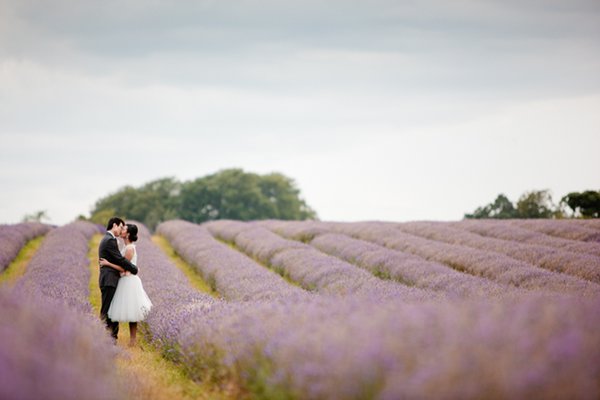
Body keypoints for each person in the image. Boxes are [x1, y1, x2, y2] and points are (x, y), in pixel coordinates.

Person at [100, 223, 152, 347]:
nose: (122, 230)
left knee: (132, 310)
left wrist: (108, 264)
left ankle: (132, 341)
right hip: (125, 280)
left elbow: (123, 268)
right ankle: (121, 338)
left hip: (129, 282)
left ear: (128, 234)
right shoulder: (126, 246)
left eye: (124, 229)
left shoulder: (129, 249)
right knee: (125, 309)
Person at [99, 217, 138, 342]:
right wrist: (134, 268)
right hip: (109, 279)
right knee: (108, 310)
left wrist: (131, 269)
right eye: (121, 227)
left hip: (116, 279)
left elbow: (121, 262)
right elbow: (120, 261)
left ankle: (111, 338)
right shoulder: (110, 240)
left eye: (124, 229)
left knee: (112, 310)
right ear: (114, 225)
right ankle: (106, 338)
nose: (121, 230)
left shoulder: (113, 240)